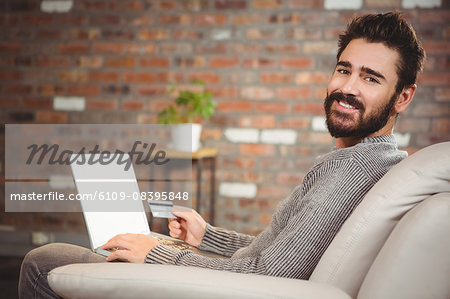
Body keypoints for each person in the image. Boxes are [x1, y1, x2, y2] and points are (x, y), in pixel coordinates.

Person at [19, 11, 425, 298]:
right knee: (112, 247)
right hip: (248, 282)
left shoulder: (351, 172)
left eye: (370, 78)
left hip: (244, 291)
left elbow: (266, 275)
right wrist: (206, 236)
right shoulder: (369, 160)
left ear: (403, 96)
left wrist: (157, 255)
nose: (348, 87)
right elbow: (281, 254)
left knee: (44, 261)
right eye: (344, 69)